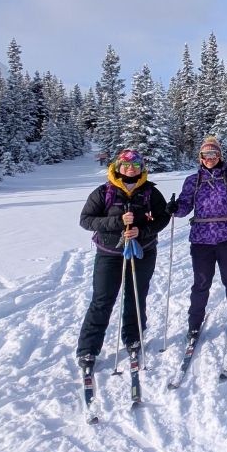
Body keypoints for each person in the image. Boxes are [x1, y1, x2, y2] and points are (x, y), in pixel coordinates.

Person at [77, 148, 171, 369]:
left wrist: (142, 231)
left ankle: (133, 337)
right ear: (118, 167)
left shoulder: (150, 192)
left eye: (135, 166)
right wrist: (117, 222)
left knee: (136, 296)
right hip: (110, 254)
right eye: (126, 165)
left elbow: (162, 218)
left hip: (143, 251)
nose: (130, 169)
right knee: (102, 299)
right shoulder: (104, 192)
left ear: (141, 169)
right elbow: (86, 220)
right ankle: (88, 349)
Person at [167, 136, 227, 343]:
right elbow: (185, 206)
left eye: (213, 154)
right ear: (200, 157)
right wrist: (175, 209)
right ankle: (194, 323)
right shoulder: (192, 181)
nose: (209, 158)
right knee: (201, 282)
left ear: (219, 156)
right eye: (205, 155)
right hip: (201, 240)